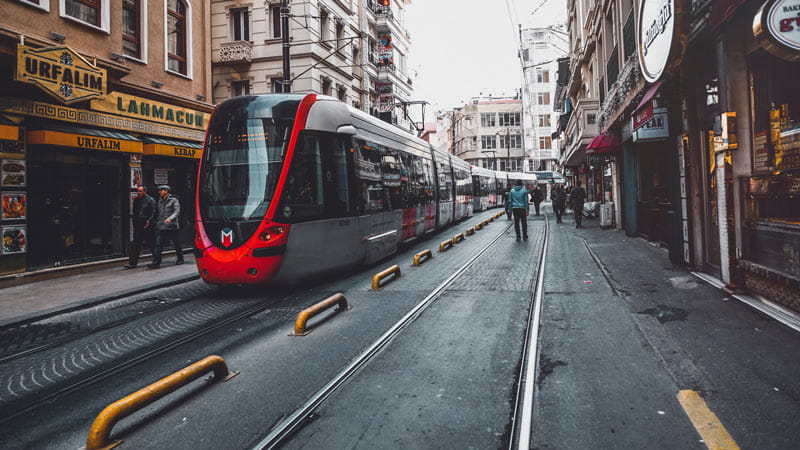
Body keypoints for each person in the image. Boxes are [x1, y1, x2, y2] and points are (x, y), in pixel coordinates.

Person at [148, 185, 184, 268]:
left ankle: (180, 258)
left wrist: (170, 219)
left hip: (172, 226)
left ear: (166, 191)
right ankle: (156, 262)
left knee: (176, 244)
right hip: (161, 226)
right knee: (158, 244)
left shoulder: (174, 200)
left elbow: (177, 211)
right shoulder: (160, 201)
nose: (159, 192)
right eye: (159, 190)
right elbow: (158, 213)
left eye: (161, 190)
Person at [125, 185, 157, 268]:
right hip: (138, 224)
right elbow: (135, 212)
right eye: (138, 191)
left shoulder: (151, 200)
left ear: (144, 192)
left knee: (151, 243)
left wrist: (149, 221)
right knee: (136, 243)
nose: (138, 193)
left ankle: (156, 260)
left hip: (147, 224)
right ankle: (132, 263)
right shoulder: (136, 200)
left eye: (140, 191)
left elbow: (153, 212)